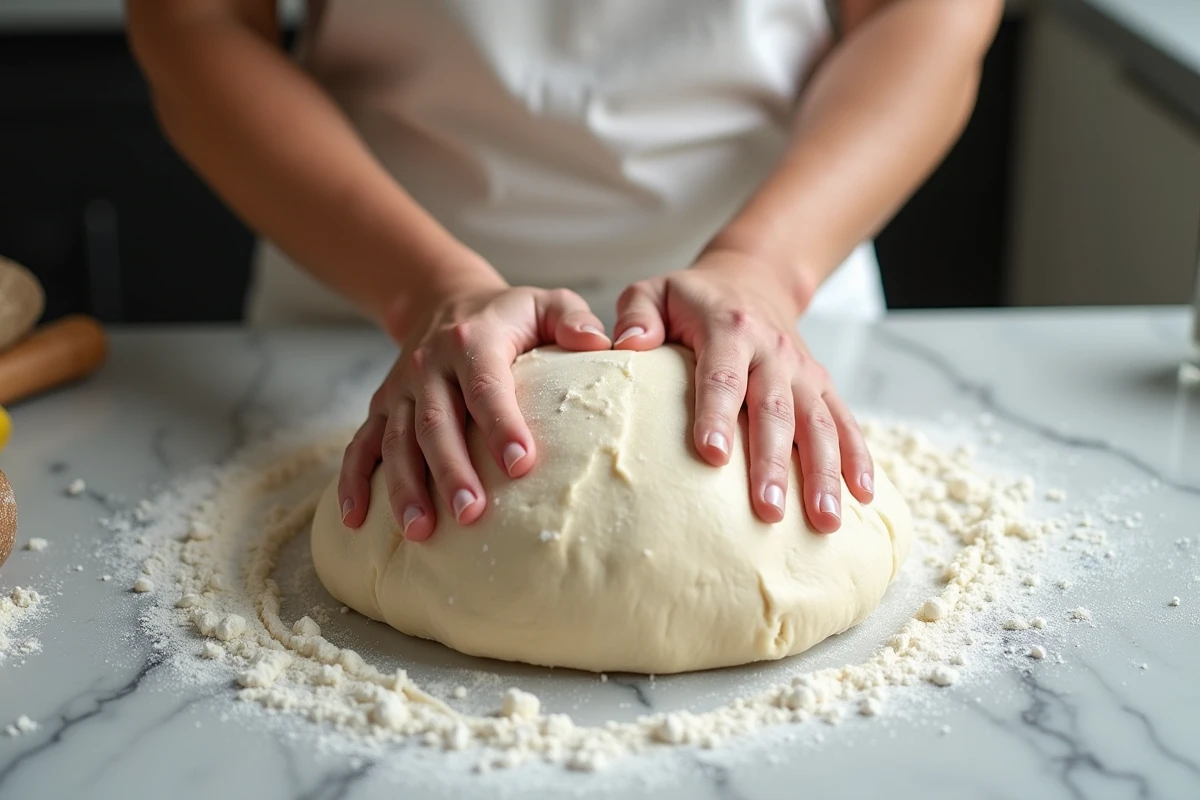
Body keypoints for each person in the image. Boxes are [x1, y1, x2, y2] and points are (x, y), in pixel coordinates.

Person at [128, 0, 1002, 542]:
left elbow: (920, 11)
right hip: (363, 280)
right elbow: (193, 19)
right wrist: (426, 290)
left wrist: (765, 266)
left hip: (776, 293)